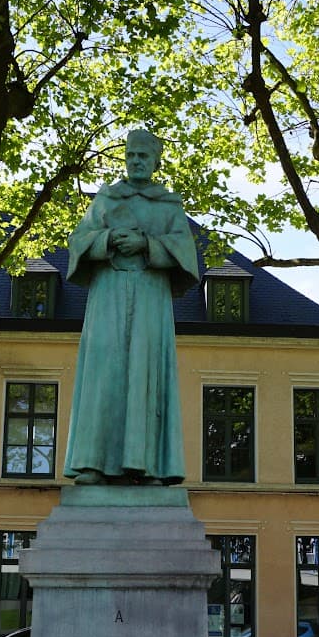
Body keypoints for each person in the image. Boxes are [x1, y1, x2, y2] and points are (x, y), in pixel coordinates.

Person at [63, 129, 198, 484]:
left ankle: (150, 466)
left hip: (151, 295)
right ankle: (93, 464)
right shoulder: (106, 199)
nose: (137, 161)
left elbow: (186, 253)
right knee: (103, 375)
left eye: (144, 156)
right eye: (132, 155)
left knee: (147, 372)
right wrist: (107, 239)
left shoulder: (169, 205)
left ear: (156, 162)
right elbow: (77, 242)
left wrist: (146, 244)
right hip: (107, 295)